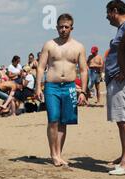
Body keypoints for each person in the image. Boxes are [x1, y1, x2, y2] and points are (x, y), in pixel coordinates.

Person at [36, 13, 88, 167]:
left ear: (72, 28)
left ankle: (59, 154)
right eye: (61, 27)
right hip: (52, 86)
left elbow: (84, 70)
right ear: (56, 27)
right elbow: (40, 67)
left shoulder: (78, 47)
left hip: (70, 87)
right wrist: (38, 87)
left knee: (64, 122)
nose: (63, 30)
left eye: (66, 27)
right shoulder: (49, 45)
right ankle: (53, 154)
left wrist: (83, 91)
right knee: (53, 120)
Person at [105, 0, 125, 175]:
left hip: (121, 80)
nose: (106, 17)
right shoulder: (121, 29)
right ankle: (124, 155)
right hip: (116, 79)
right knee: (121, 121)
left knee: (123, 121)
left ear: (114, 11)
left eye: (108, 13)